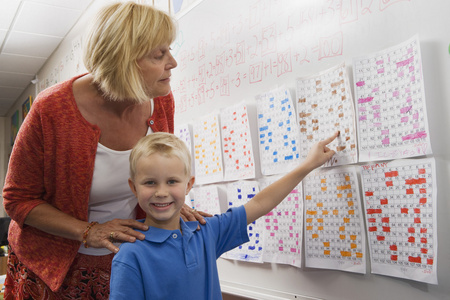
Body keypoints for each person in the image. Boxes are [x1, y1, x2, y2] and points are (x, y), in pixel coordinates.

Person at [2, 2, 209, 299]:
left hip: (123, 258)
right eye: (159, 54)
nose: (172, 62)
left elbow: (158, 171)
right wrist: (89, 231)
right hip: (51, 266)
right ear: (124, 59)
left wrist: (170, 202)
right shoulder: (52, 109)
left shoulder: (161, 100)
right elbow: (17, 199)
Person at [109, 131, 339, 299]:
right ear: (134, 187)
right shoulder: (130, 256)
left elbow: (260, 203)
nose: (161, 192)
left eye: (172, 181)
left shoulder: (205, 231)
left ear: (189, 185)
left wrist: (308, 165)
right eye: (150, 182)